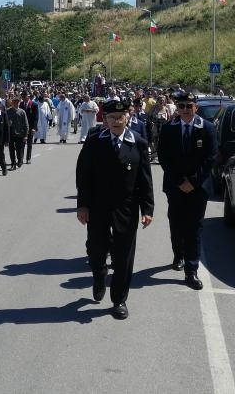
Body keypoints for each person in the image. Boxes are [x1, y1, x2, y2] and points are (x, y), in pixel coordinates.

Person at [76, 98, 153, 319]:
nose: (117, 121)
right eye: (112, 117)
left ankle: (119, 299)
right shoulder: (94, 140)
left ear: (127, 117)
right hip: (98, 207)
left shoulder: (138, 142)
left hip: (126, 208)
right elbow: (83, 175)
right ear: (105, 119)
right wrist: (82, 205)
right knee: (96, 250)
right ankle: (99, 276)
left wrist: (148, 209)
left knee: (124, 256)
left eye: (120, 117)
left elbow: (145, 179)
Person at [157, 91, 216, 289]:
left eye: (188, 106)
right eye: (181, 106)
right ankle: (178, 254)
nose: (184, 110)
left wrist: (193, 181)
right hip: (175, 186)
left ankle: (191, 270)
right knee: (176, 222)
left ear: (195, 108)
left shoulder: (207, 128)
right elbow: (163, 156)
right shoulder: (168, 128)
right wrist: (179, 181)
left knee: (194, 228)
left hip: (198, 188)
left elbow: (211, 157)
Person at [6, 96, 29, 170]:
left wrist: (25, 135)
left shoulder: (22, 112)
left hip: (20, 134)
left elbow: (26, 124)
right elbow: (4, 124)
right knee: (11, 150)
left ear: (19, 103)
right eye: (14, 102)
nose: (16, 103)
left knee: (19, 149)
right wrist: (8, 124)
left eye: (17, 102)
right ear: (12, 103)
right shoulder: (8, 111)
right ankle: (13, 163)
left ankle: (20, 160)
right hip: (11, 134)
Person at [23, 92, 39, 163]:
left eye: (25, 96)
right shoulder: (21, 104)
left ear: (28, 97)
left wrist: (34, 128)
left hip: (30, 127)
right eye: (22, 97)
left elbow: (36, 117)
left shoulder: (34, 104)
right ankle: (20, 158)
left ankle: (28, 158)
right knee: (21, 144)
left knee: (29, 143)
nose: (23, 98)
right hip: (22, 128)